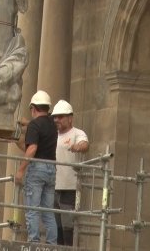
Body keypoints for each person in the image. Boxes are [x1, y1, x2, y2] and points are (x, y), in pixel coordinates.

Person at [15, 90, 58, 244]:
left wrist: (21, 170)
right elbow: (42, 127)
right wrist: (29, 124)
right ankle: (52, 244)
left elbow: (32, 148)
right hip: (51, 168)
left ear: (33, 108)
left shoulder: (34, 125)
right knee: (48, 212)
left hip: (37, 168)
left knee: (32, 210)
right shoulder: (53, 125)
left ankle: (34, 243)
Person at [51, 99, 89, 246]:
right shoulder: (52, 135)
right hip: (53, 187)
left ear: (70, 118)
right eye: (55, 117)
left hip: (69, 188)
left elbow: (84, 144)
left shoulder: (77, 133)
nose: (57, 120)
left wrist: (78, 146)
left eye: (60, 117)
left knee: (68, 227)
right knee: (56, 228)